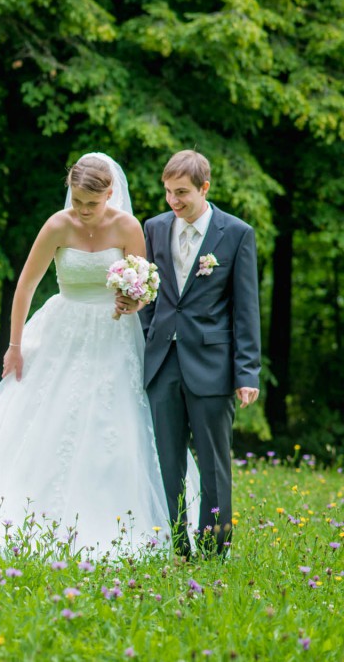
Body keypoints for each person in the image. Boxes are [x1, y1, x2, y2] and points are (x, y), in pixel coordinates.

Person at [0, 153, 185, 559]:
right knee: (43, 414)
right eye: (77, 202)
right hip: (62, 327)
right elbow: (25, 287)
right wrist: (15, 348)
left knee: (111, 416)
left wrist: (131, 301)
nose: (84, 212)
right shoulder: (57, 225)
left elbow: (143, 289)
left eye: (92, 203)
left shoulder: (127, 227)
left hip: (113, 334)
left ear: (109, 194)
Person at [134, 150, 261, 558]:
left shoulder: (236, 233)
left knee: (213, 465)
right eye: (169, 192)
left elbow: (246, 308)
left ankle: (213, 548)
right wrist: (150, 332)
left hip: (212, 364)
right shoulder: (153, 228)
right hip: (163, 363)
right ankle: (178, 545)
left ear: (205, 188)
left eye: (182, 193)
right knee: (168, 461)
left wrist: (247, 372)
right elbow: (149, 291)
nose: (174, 201)